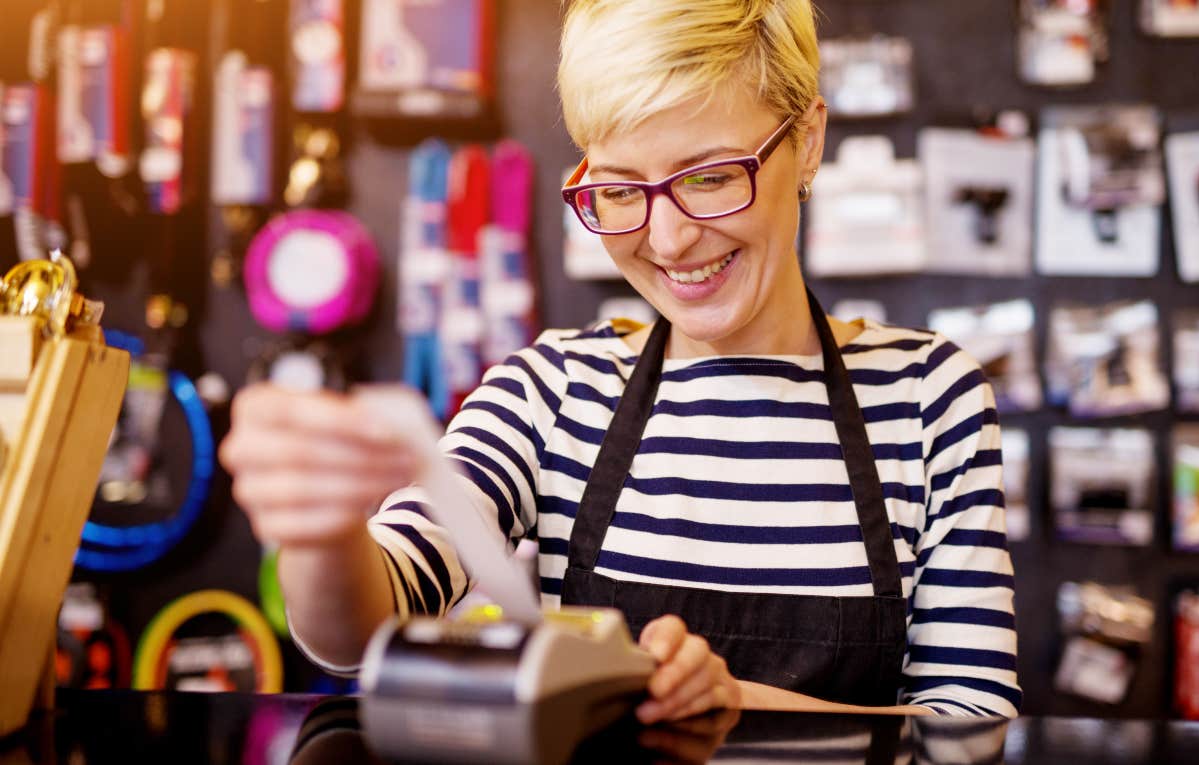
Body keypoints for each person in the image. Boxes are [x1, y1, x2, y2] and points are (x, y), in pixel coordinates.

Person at [220, 0, 1020, 723]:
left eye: (710, 178)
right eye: (620, 191)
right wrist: (318, 533)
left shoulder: (928, 399)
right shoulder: (552, 392)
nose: (668, 241)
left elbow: (974, 727)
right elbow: (364, 626)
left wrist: (735, 701)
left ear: (807, 142)